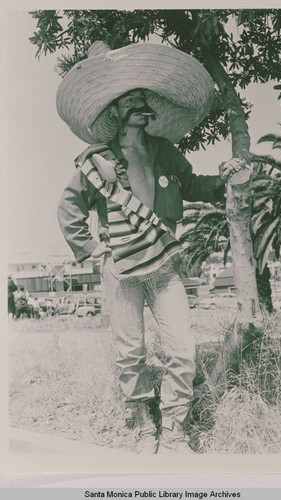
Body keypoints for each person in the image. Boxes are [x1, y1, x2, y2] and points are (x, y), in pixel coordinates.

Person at [56, 41, 245, 453]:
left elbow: (193, 186)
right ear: (115, 112)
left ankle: (175, 428)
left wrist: (224, 178)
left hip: (163, 266)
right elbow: (69, 208)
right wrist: (94, 252)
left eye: (144, 98)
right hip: (122, 269)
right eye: (134, 99)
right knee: (130, 354)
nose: (145, 105)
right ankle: (144, 425)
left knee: (183, 348)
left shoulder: (163, 150)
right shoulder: (99, 161)